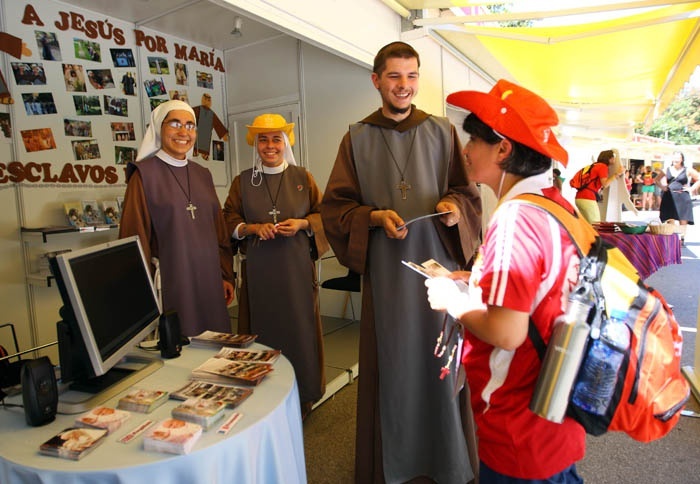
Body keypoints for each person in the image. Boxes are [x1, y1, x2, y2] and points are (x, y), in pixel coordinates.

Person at [321, 41, 482, 484]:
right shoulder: (355, 137)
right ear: (376, 81)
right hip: (390, 273)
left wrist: (454, 206)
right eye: (394, 76)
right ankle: (394, 465)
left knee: (440, 363)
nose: (404, 86)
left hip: (440, 271)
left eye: (412, 76)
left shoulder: (443, 131)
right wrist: (371, 216)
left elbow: (468, 195)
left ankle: (447, 460)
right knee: (395, 364)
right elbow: (335, 208)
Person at [424, 79, 586, 483]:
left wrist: (452, 299)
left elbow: (508, 332)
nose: (465, 150)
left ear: (503, 148)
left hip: (518, 424)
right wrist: (477, 280)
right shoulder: (554, 205)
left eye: (474, 140)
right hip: (553, 411)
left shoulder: (514, 219)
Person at [222, 113, 329, 418]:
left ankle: (303, 398)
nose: (270, 146)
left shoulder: (302, 178)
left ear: (286, 142)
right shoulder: (243, 182)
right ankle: (263, 402)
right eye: (263, 140)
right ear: (255, 144)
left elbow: (325, 217)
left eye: (276, 139)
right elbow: (228, 219)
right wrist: (252, 228)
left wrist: (304, 223)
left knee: (299, 332)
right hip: (260, 273)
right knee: (262, 334)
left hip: (296, 272)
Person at [119, 100, 234, 336]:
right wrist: (142, 293)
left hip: (209, 280)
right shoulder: (143, 175)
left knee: (214, 347)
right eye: (175, 124)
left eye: (190, 125)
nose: (184, 132)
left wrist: (225, 275)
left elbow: (219, 231)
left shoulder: (203, 174)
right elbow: (134, 237)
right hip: (173, 282)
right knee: (180, 347)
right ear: (159, 128)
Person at [657, 151, 700, 245]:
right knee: (669, 218)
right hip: (669, 196)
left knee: (683, 218)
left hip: (682, 196)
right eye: (674, 157)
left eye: (678, 158)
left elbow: (698, 178)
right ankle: (672, 237)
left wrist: (692, 188)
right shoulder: (666, 169)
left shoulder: (687, 170)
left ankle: (682, 238)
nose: (676, 159)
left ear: (682, 159)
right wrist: (662, 187)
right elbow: (656, 180)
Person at [572, 149, 622, 223]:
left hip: (579, 198)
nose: (614, 159)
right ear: (609, 159)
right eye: (613, 157)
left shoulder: (593, 166)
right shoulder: (602, 167)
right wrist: (617, 174)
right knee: (596, 224)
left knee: (587, 225)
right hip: (588, 198)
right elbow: (605, 184)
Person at [193, 93, 229, 160]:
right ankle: (195, 151)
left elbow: (217, 123)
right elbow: (190, 113)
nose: (207, 102)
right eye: (205, 100)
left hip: (207, 133)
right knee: (196, 141)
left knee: (205, 143)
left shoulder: (211, 113)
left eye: (208, 100)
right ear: (203, 100)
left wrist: (224, 134)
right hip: (199, 130)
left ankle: (204, 153)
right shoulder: (198, 109)